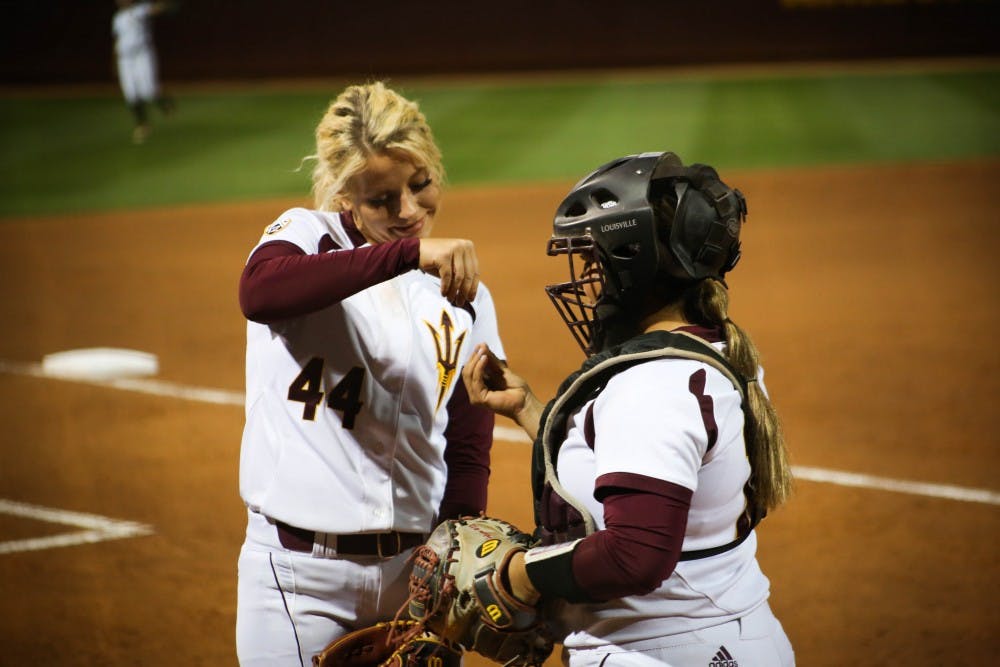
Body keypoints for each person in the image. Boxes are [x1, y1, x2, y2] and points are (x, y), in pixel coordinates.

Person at [462, 152, 795, 665]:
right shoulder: (719, 353)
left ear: (633, 262)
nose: (588, 280)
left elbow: (633, 556)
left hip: (663, 650)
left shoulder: (651, 387)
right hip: (726, 637)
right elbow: (632, 468)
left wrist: (516, 574)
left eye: (595, 259)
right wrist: (531, 409)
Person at [235, 81, 505, 666]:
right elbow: (259, 292)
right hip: (299, 580)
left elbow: (468, 428)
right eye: (382, 199)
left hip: (413, 580)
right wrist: (407, 256)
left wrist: (455, 541)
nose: (408, 212)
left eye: (420, 185)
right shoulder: (306, 237)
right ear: (343, 197)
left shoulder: (465, 293)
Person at [111, 0, 176, 144]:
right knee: (130, 92)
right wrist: (115, 61)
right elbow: (117, 41)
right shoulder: (117, 19)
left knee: (148, 89)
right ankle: (142, 124)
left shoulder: (139, 10)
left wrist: (166, 6)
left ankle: (165, 104)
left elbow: (156, 9)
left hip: (141, 53)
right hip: (125, 58)